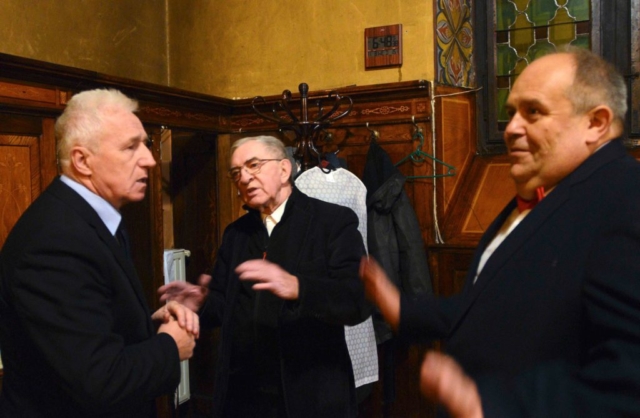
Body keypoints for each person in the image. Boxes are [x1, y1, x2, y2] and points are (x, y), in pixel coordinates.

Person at [361, 47, 640, 417]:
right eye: (511, 113)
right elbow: (501, 305)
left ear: (596, 122)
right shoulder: (553, 192)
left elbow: (628, 378)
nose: (511, 129)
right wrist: (406, 311)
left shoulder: (625, 199)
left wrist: (492, 408)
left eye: (533, 112)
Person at [0, 88, 199, 417]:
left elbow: (83, 336)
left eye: (145, 144)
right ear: (82, 161)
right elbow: (99, 381)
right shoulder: (55, 240)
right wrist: (169, 345)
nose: (149, 160)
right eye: (130, 147)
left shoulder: (91, 219)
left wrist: (150, 329)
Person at [159, 135, 371, 417]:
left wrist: (298, 287)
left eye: (254, 165)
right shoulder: (236, 234)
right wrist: (202, 302)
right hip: (245, 398)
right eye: (236, 172)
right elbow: (224, 305)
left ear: (284, 170)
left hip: (309, 395)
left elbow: (357, 300)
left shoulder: (331, 222)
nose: (244, 178)